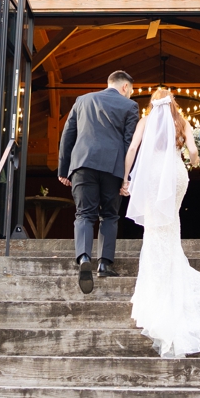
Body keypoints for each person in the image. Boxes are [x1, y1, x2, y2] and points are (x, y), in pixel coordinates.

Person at [121, 86, 200, 358]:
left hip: (153, 175)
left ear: (152, 105)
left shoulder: (145, 121)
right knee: (171, 223)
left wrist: (125, 177)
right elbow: (192, 151)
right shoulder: (182, 122)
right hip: (176, 175)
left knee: (155, 229)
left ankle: (156, 290)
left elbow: (133, 148)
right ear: (173, 104)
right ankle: (172, 276)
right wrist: (193, 161)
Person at [57, 70, 140, 293]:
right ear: (125, 87)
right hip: (113, 168)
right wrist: (127, 177)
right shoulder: (129, 107)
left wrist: (64, 169)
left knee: (84, 213)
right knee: (110, 215)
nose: (130, 95)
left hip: (83, 164)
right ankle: (104, 263)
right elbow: (129, 143)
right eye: (130, 91)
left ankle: (84, 256)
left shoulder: (82, 100)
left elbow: (68, 135)